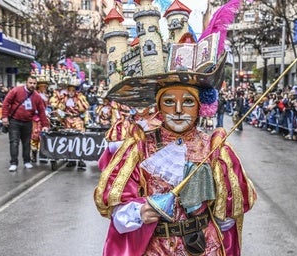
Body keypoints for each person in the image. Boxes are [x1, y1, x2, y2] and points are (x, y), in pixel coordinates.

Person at [94, 56, 257, 256]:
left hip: (203, 247)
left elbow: (228, 217)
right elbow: (118, 210)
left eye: (188, 101)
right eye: (170, 101)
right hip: (156, 248)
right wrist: (139, 212)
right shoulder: (140, 147)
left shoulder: (214, 149)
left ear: (200, 107)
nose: (178, 110)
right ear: (159, 107)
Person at [1, 76, 49, 172]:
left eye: (34, 83)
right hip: (14, 121)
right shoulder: (16, 90)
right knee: (14, 142)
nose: (32, 85)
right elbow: (6, 103)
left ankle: (27, 161)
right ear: (26, 83)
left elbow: (41, 111)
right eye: (30, 83)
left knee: (27, 143)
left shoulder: (37, 96)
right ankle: (13, 163)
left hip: (27, 122)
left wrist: (45, 125)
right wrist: (4, 117)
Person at [50, 82, 89, 169]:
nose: (71, 92)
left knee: (79, 139)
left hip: (77, 120)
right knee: (69, 139)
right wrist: (60, 111)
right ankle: (71, 160)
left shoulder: (80, 97)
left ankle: (80, 160)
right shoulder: (64, 98)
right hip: (67, 120)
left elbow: (84, 108)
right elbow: (57, 106)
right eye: (69, 90)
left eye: (73, 90)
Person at [30, 80, 50, 163]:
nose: (44, 88)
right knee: (35, 136)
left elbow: (46, 106)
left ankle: (43, 155)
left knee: (44, 136)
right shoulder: (35, 95)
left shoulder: (45, 95)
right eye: (42, 86)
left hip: (44, 118)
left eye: (45, 87)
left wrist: (47, 112)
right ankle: (34, 155)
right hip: (35, 118)